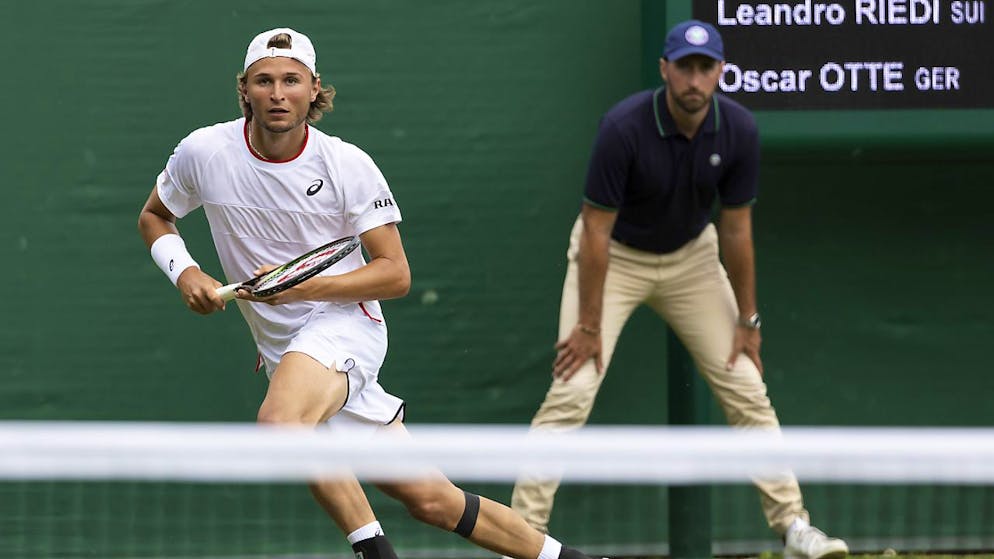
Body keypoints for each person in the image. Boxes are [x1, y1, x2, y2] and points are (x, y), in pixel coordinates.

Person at [137, 27, 597, 559]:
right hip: (283, 349)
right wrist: (185, 272)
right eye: (264, 81)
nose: (278, 93)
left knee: (281, 425)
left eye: (292, 80)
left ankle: (375, 554)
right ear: (245, 90)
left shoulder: (346, 165)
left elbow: (395, 273)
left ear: (314, 90)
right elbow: (156, 216)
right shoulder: (204, 152)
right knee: (433, 501)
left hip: (346, 326)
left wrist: (303, 287)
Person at [509, 20, 849, 559]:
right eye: (685, 67)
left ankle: (793, 527)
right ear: (665, 70)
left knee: (747, 388)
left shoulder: (738, 129)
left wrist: (748, 320)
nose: (695, 79)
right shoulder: (623, 127)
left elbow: (737, 229)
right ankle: (520, 538)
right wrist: (590, 325)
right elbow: (596, 230)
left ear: (719, 72)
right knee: (571, 392)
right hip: (612, 258)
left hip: (693, 260)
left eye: (705, 67)